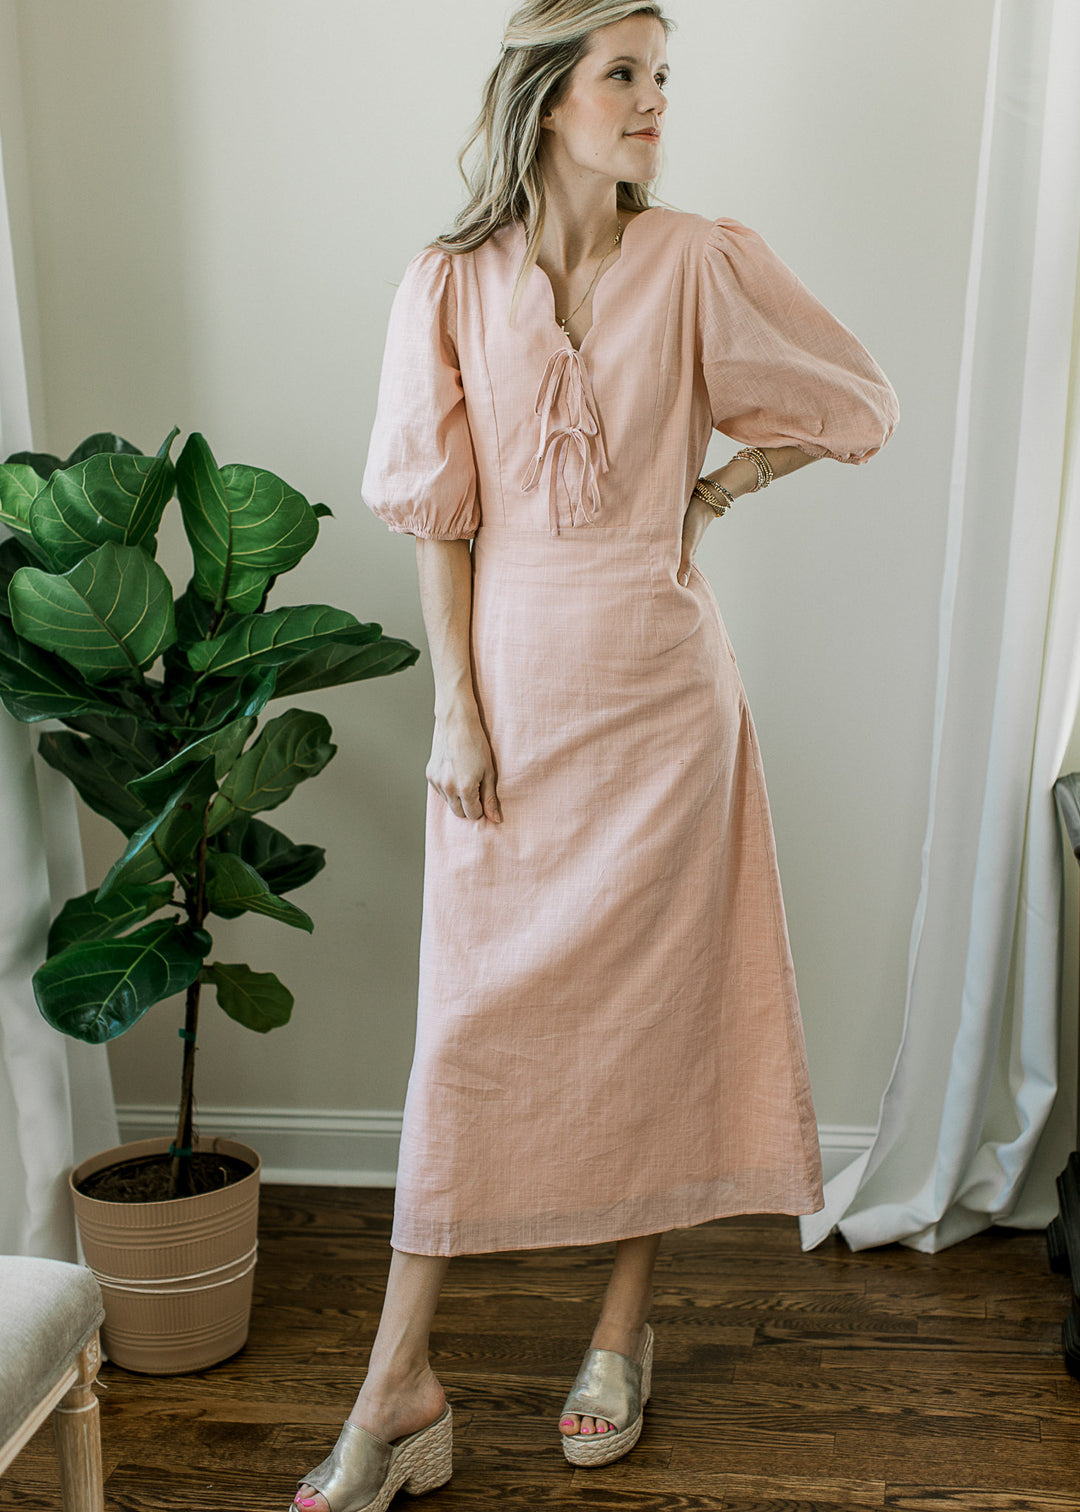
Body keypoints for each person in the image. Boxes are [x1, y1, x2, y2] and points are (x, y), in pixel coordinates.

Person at [293, 3, 899, 1508]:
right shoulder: (449, 282)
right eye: (624, 74)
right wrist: (455, 707)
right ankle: (400, 1388)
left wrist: (715, 493)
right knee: (465, 1037)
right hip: (510, 697)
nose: (652, 103)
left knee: (661, 1015)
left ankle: (621, 1334)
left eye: (663, 77)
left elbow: (859, 402)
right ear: (547, 94)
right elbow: (443, 517)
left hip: (666, 702)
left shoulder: (699, 258)